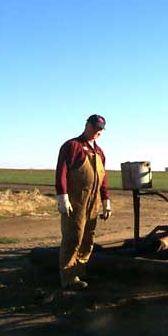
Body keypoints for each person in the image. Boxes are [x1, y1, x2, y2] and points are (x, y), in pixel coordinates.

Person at [55, 114, 112, 291]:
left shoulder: (99, 152)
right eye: (94, 127)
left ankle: (80, 270)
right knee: (73, 237)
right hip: (76, 201)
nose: (97, 132)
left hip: (93, 201)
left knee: (88, 238)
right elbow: (61, 172)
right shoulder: (72, 146)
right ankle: (68, 277)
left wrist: (106, 200)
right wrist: (62, 197)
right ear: (86, 125)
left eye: (100, 129)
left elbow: (102, 179)